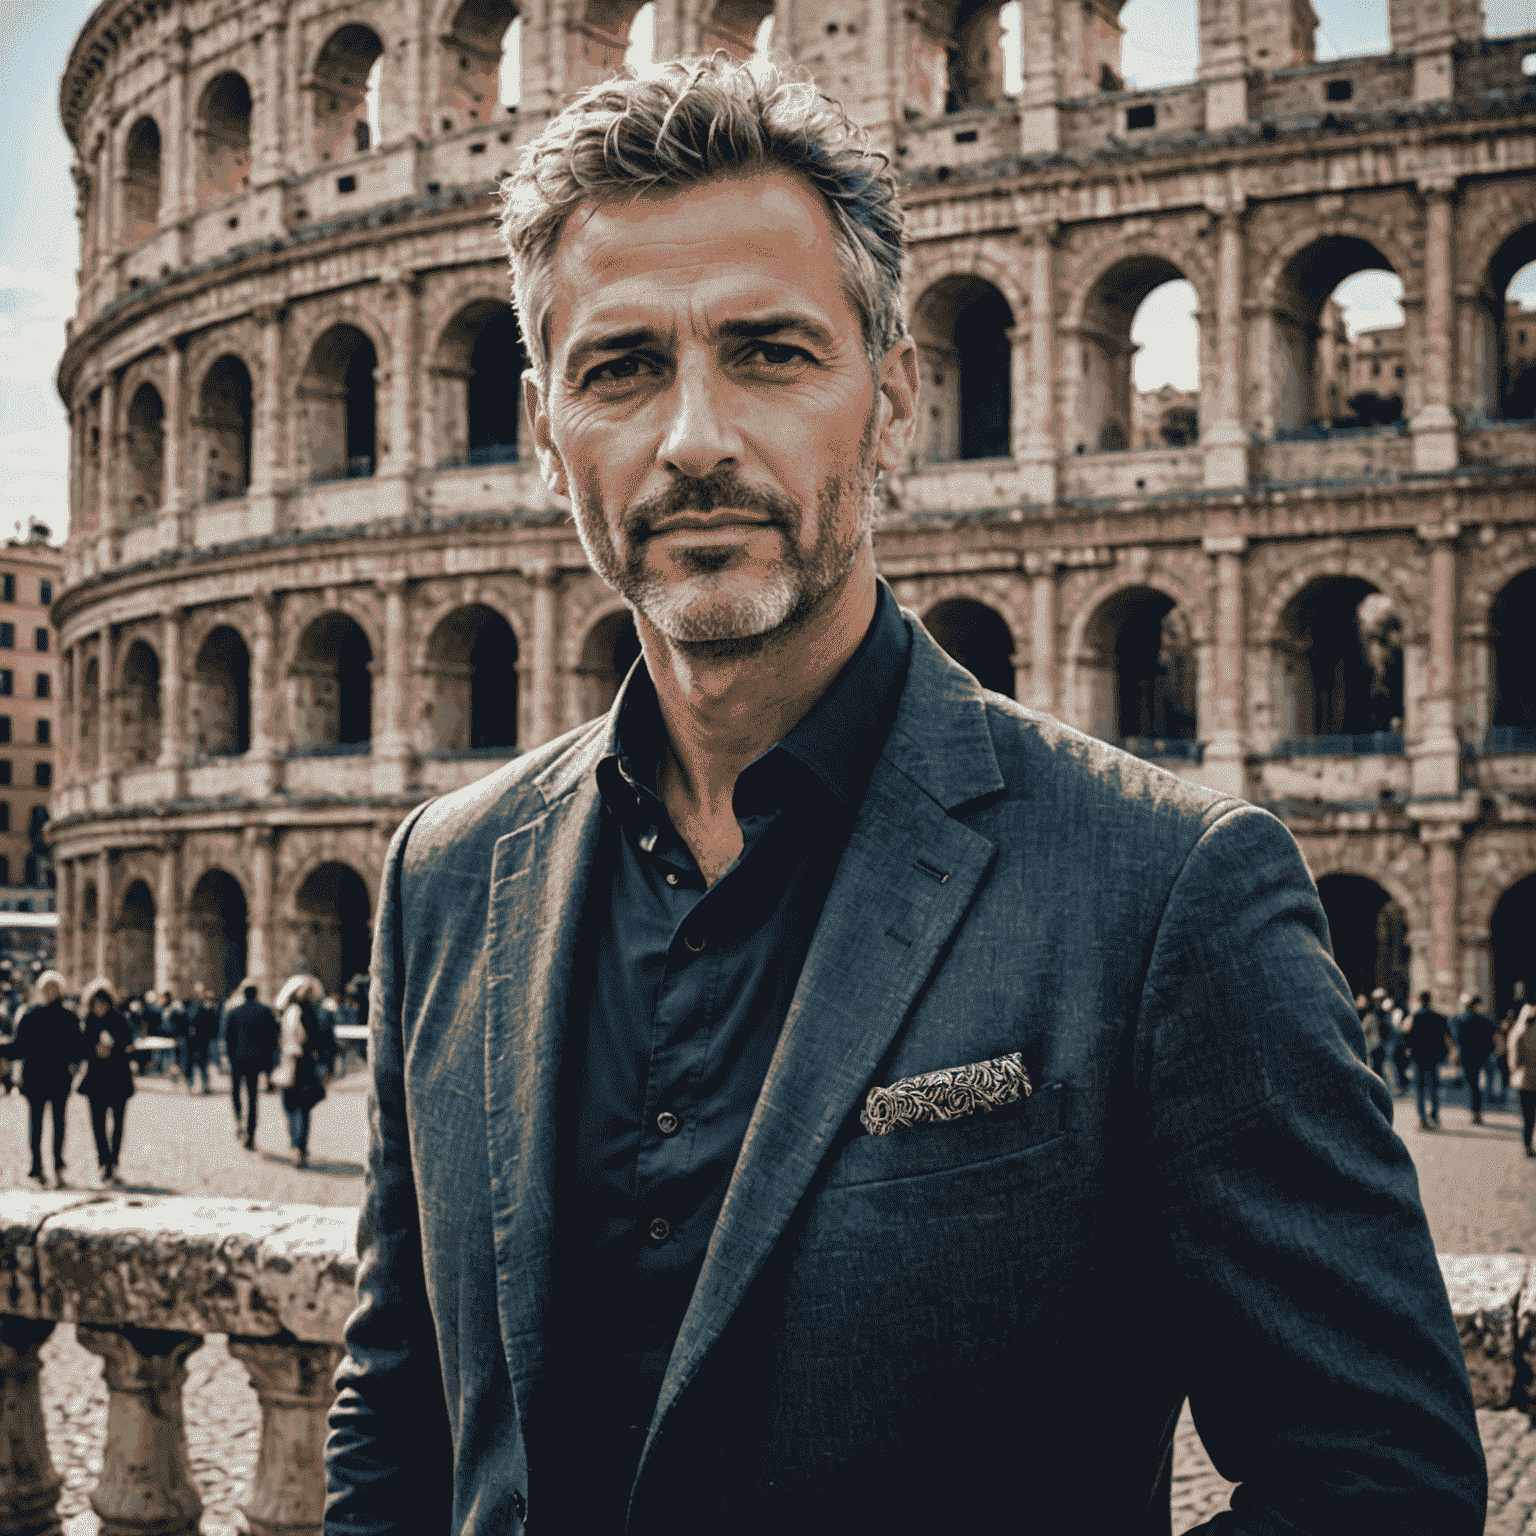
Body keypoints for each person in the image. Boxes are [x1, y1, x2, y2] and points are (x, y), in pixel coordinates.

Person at [322, 57, 1486, 1535]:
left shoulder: (1167, 890)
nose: (694, 439)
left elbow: (1378, 1477)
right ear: (548, 434)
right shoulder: (446, 875)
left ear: (892, 401)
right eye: (622, 367)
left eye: (771, 352)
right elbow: (402, 1412)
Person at [0, 970, 84, 1187]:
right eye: (47, 987)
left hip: (58, 1078)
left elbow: (77, 1047)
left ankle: (58, 1165)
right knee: (35, 1123)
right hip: (35, 1077)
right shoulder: (30, 1015)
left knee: (59, 1124)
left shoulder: (69, 1017)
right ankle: (36, 1166)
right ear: (41, 990)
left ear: (59, 990)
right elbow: (20, 1047)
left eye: (54, 987)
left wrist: (75, 1065)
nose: (50, 991)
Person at [76, 979, 142, 1187]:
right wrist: (94, 1049)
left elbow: (130, 1046)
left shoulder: (120, 1020)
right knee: (97, 1124)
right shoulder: (88, 1022)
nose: (99, 1008)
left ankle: (114, 1160)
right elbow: (82, 1049)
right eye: (96, 1004)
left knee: (118, 1124)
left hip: (118, 1079)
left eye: (102, 1004)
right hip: (96, 1081)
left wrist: (114, 1049)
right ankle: (103, 1160)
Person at [273, 974, 335, 1169]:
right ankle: (300, 1146)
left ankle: (297, 1144)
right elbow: (321, 1040)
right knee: (303, 1108)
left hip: (293, 1062)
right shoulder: (314, 1013)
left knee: (291, 1106)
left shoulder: (289, 1013)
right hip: (306, 1063)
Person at [225, 982, 279, 1149]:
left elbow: (227, 1037)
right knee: (253, 1097)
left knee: (235, 1091)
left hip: (237, 1059)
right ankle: (251, 1132)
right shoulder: (265, 1012)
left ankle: (239, 1118)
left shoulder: (234, 1012)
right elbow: (273, 1038)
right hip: (256, 1060)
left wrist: (228, 1057)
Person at [1407, 990, 1451, 1129]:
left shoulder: (1415, 1016)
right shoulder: (1439, 1017)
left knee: (1419, 1089)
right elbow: (1447, 1036)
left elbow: (1408, 1037)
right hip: (1434, 1057)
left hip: (1418, 1057)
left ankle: (1422, 1118)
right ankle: (1435, 1115)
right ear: (1430, 1000)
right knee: (1433, 1087)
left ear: (1420, 1000)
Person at [1450, 994, 1495, 1126]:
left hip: (1466, 1056)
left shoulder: (1457, 1020)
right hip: (1482, 1055)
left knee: (1472, 1085)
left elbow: (1455, 1038)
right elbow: (1493, 1038)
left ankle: (1475, 1111)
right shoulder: (1485, 1020)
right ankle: (1478, 1110)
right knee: (1479, 1084)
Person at [1510, 1000, 1536, 1158]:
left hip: (1525, 1080)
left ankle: (1527, 1145)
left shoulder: (1518, 1033)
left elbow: (1515, 1061)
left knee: (1527, 1116)